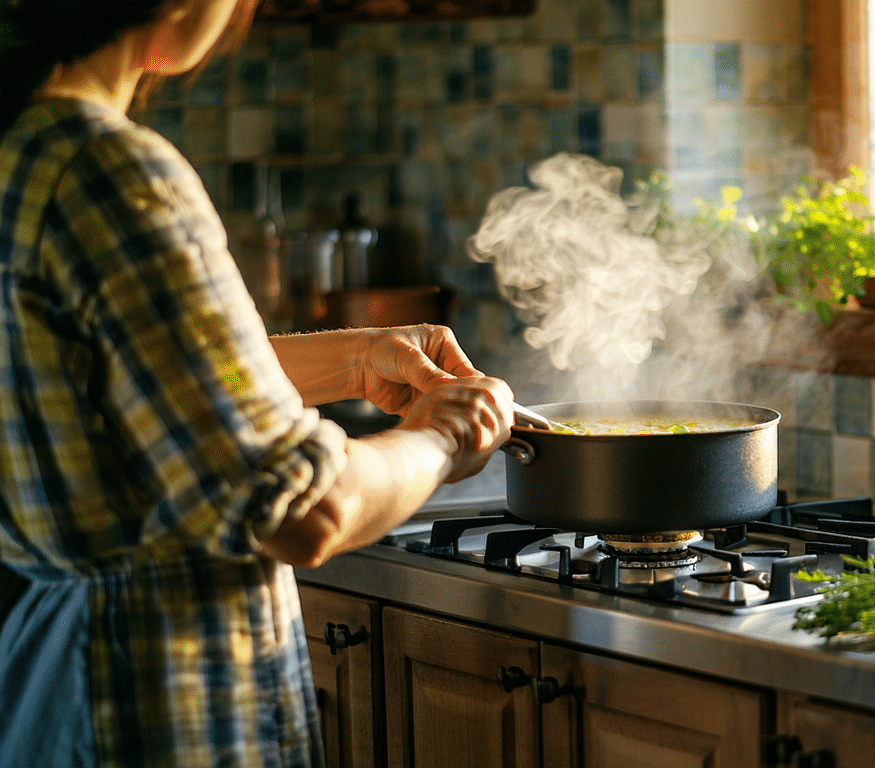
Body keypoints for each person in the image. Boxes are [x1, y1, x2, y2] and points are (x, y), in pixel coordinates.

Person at [0, 1, 517, 765]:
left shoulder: (23, 153)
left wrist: (357, 358)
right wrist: (445, 435)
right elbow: (300, 512)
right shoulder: (106, 169)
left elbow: (138, 377)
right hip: (153, 693)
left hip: (47, 676)